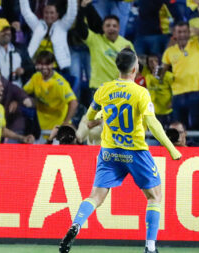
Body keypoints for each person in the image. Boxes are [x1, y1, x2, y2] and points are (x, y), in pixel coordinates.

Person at [59, 48, 182, 253]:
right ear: (135, 68)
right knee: (154, 196)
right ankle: (150, 248)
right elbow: (152, 123)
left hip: (109, 151)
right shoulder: (140, 92)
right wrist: (171, 148)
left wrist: (103, 117)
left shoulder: (104, 90)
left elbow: (90, 116)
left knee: (95, 197)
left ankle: (76, 224)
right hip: (135, 151)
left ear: (119, 67)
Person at [161, 20, 199, 131]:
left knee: (196, 126)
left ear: (189, 33)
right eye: (179, 32)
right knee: (179, 128)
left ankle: (196, 147)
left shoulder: (196, 44)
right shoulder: (169, 51)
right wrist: (157, 70)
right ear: (175, 34)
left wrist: (197, 29)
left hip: (196, 92)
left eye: (185, 32)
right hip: (177, 94)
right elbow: (159, 74)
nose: (182, 35)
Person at [24, 51, 78, 141]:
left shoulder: (60, 83)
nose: (44, 67)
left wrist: (66, 122)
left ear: (53, 64)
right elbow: (23, 91)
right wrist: (28, 100)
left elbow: (74, 103)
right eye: (41, 64)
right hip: (41, 130)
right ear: (37, 65)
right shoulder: (36, 77)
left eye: (47, 64)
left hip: (57, 131)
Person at [0, 74, 35, 144]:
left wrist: (22, 138)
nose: (2, 89)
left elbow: (2, 130)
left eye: (2, 86)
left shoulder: (0, 108)